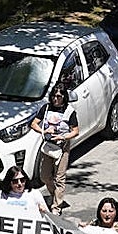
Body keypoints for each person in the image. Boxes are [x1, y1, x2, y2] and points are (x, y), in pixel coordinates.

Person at [30, 84, 79, 214]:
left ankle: (56, 206)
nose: (55, 99)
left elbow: (75, 131)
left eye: (58, 96)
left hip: (62, 147)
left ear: (64, 97)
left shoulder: (69, 111)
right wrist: (43, 130)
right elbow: (34, 123)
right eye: (53, 96)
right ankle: (54, 194)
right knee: (45, 176)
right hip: (48, 146)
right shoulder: (46, 108)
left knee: (59, 177)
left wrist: (63, 137)